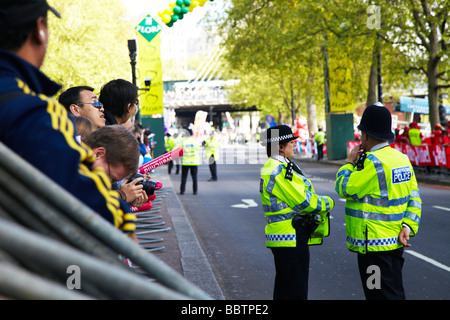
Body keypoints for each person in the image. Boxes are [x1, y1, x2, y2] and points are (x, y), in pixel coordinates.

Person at [0, 1, 134, 235]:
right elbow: (80, 191)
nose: (100, 107)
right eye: (94, 102)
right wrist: (123, 216)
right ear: (40, 30)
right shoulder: (33, 113)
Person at [335, 103, 422, 300]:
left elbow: (345, 188)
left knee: (376, 296)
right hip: (395, 241)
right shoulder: (402, 159)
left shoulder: (373, 163)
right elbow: (414, 198)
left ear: (365, 135)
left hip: (373, 245)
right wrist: (408, 225)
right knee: (395, 293)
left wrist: (348, 164)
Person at [260, 125, 334, 300]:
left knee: (286, 289)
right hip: (289, 236)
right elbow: (303, 201)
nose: (295, 145)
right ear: (280, 147)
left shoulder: (279, 166)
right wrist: (328, 202)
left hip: (286, 236)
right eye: (291, 142)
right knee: (295, 292)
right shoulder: (278, 170)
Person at [83, 125, 147, 208]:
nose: (108, 185)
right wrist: (122, 195)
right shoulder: (67, 167)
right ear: (98, 154)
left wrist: (125, 201)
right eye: (110, 178)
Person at [180, 129, 201, 195]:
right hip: (194, 162)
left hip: (185, 162)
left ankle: (182, 191)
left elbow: (179, 150)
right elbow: (198, 148)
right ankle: (195, 191)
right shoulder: (195, 141)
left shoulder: (183, 141)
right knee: (194, 177)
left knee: (184, 177)